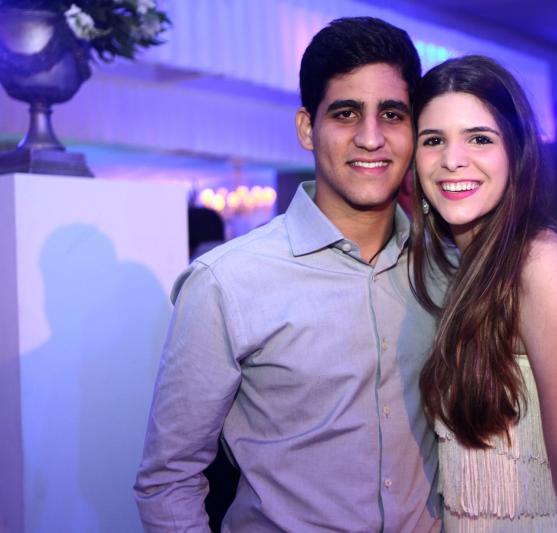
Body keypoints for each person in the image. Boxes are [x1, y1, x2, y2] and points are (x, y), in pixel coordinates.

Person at [134, 17, 443, 531]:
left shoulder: (445, 273)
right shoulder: (227, 282)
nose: (371, 138)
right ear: (306, 128)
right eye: (346, 113)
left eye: (392, 114)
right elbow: (169, 479)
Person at [411, 55, 557, 531]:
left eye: (479, 138)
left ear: (515, 152)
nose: (453, 160)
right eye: (433, 140)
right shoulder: (457, 266)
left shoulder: (541, 266)